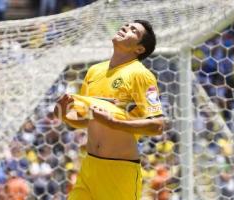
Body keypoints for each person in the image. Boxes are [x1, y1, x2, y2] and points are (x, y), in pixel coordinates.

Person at [54, 19, 164, 200]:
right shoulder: (94, 71)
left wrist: (115, 122)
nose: (126, 28)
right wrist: (64, 114)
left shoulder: (140, 74)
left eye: (133, 31)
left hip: (119, 170)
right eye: (127, 25)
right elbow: (85, 119)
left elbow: (157, 125)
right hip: (89, 166)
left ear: (139, 49)